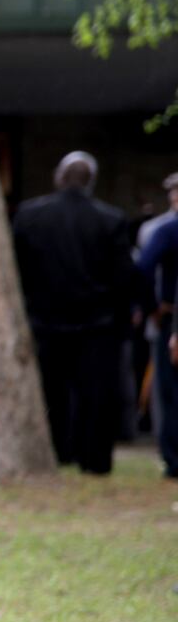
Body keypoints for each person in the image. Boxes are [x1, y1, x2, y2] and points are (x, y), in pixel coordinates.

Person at [12, 151, 137, 475]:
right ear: (91, 182)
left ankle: (57, 451)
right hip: (97, 323)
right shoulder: (110, 219)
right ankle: (94, 459)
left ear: (58, 177)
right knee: (96, 395)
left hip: (46, 320)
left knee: (51, 392)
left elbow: (18, 271)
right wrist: (123, 323)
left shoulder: (30, 215)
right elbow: (123, 277)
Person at [135, 170, 178, 478]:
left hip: (172, 317)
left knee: (171, 391)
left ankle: (174, 458)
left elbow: (143, 269)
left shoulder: (167, 230)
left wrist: (154, 308)